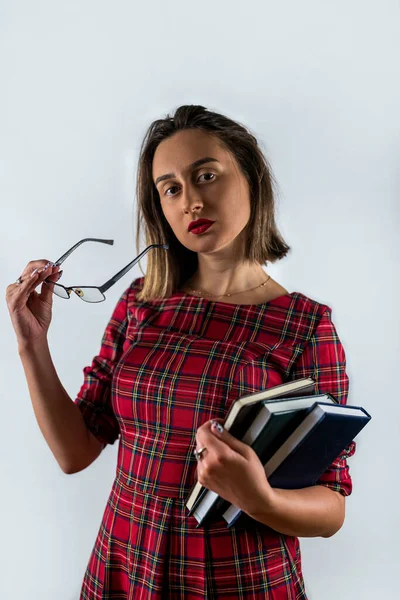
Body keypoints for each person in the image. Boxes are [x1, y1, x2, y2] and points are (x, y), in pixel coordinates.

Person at [6, 104, 356, 599]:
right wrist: (30, 343)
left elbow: (332, 508)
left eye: (206, 175)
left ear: (251, 177)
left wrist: (258, 498)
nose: (190, 201)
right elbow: (75, 451)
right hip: (127, 563)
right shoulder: (140, 303)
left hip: (239, 580)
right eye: (171, 188)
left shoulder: (305, 325)